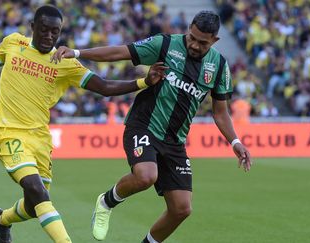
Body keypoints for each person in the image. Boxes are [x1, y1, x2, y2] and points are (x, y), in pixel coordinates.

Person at [0, 5, 167, 243]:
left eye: (55, 32)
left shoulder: (65, 63)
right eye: (44, 30)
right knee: (38, 191)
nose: (49, 36)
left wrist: (144, 81)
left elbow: (104, 87)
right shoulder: (13, 43)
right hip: (8, 132)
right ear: (32, 27)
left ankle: (2, 219)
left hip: (40, 139)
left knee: (34, 206)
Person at [52, 10, 252, 243]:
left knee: (181, 209)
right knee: (146, 176)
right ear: (188, 29)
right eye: (192, 38)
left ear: (215, 40)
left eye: (203, 43)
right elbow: (121, 52)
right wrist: (77, 52)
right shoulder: (165, 44)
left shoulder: (218, 66)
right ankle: (106, 201)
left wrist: (235, 142)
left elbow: (220, 112)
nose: (195, 45)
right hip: (143, 125)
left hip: (175, 141)